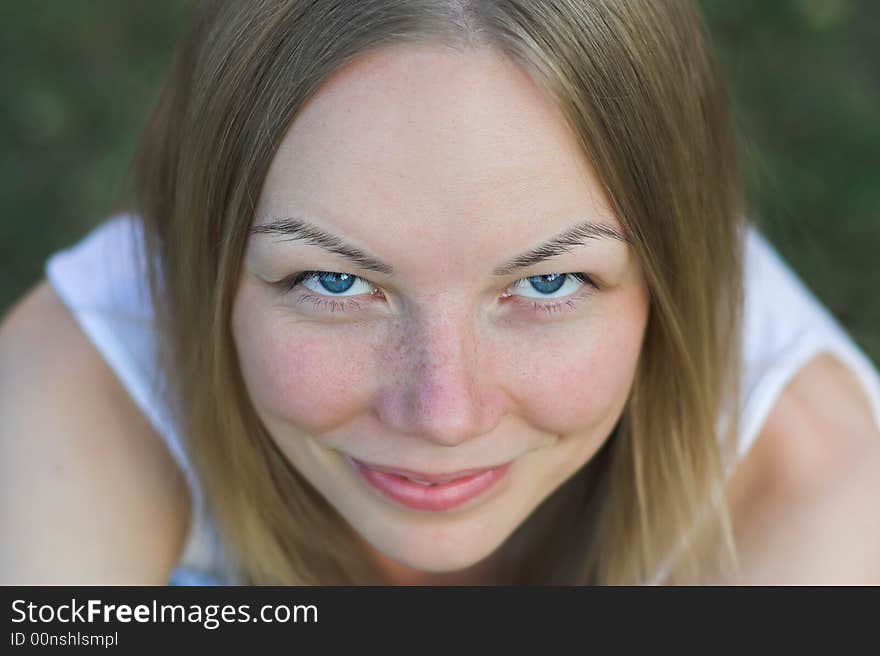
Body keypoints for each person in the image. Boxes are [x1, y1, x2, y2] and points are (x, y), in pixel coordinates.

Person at [1, 0, 878, 586]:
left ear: (671, 278)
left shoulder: (822, 510)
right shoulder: (74, 394)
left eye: (547, 282)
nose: (443, 415)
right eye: (336, 281)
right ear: (204, 255)